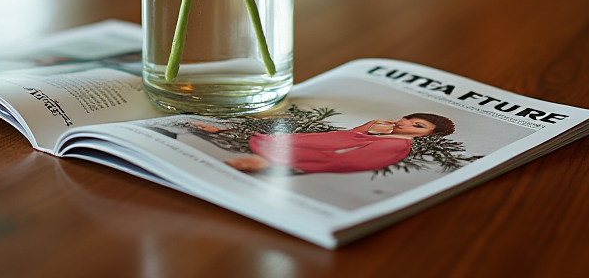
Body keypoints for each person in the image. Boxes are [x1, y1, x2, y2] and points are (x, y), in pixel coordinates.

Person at [191, 113, 455, 174]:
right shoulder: (379, 132)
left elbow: (343, 160)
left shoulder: (395, 147)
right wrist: (364, 129)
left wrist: (277, 160)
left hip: (278, 157)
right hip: (272, 144)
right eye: (409, 119)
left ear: (428, 135)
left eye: (417, 126)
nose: (405, 123)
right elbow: (329, 139)